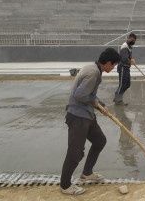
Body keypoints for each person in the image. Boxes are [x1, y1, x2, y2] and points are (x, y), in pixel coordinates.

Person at [60, 48, 120, 195]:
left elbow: (90, 95)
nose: (113, 68)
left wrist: (102, 106)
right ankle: (65, 185)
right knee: (76, 152)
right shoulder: (93, 72)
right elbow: (80, 95)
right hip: (78, 116)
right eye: (113, 65)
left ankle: (87, 173)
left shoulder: (93, 68)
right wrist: (96, 105)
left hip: (87, 115)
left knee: (99, 140)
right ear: (106, 63)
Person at [113, 33, 137, 105]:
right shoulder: (125, 46)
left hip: (127, 67)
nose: (133, 41)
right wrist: (131, 61)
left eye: (134, 40)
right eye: (132, 39)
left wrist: (132, 59)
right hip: (123, 67)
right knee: (122, 84)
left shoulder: (129, 47)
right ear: (128, 38)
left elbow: (129, 57)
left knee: (127, 84)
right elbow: (124, 59)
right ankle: (118, 100)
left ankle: (118, 96)